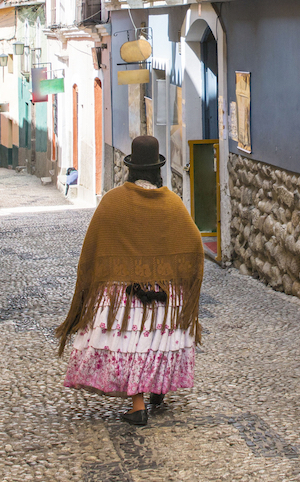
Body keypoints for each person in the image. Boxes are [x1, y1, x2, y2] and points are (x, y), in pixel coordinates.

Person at [57, 136, 203, 426]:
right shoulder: (172, 204)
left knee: (133, 344)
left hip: (124, 298)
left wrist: (99, 278)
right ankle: (157, 389)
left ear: (131, 168)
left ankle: (139, 407)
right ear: (157, 169)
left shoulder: (113, 202)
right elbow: (195, 243)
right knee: (156, 340)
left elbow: (94, 246)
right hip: (164, 295)